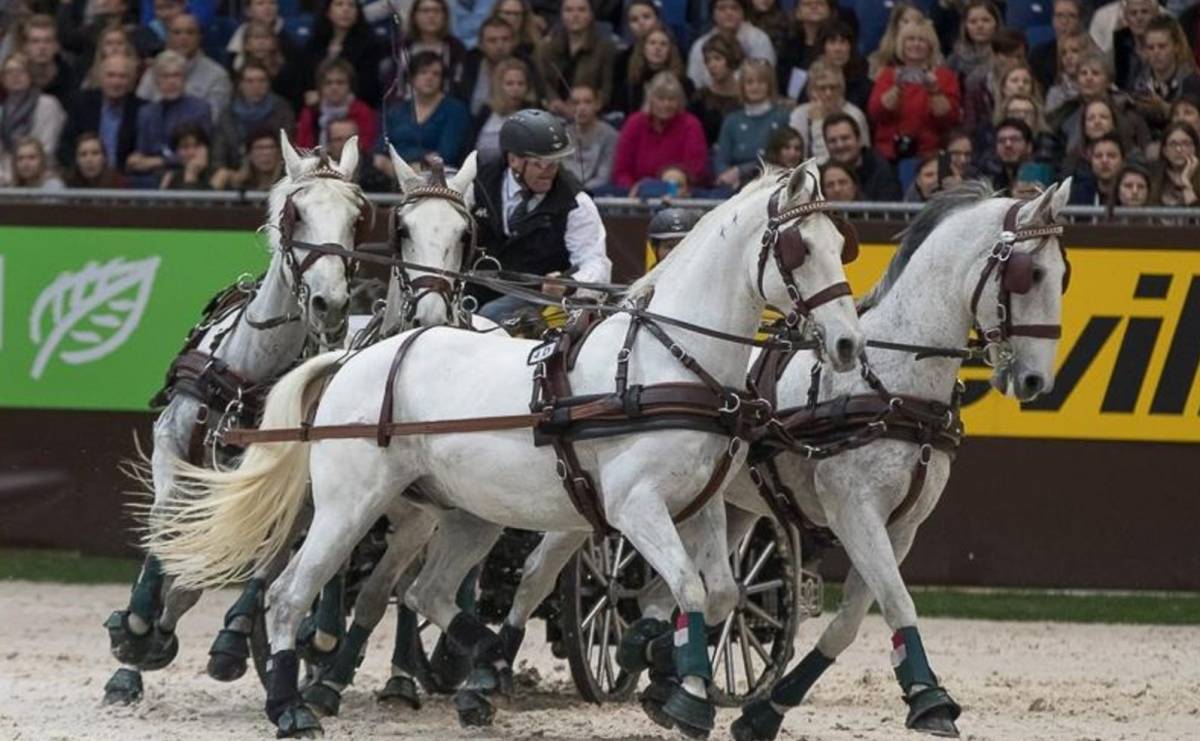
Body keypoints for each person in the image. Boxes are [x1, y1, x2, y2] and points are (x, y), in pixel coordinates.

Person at [468, 109, 612, 322]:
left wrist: (569, 284)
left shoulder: (576, 202)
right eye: (539, 163)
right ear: (514, 160)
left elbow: (596, 263)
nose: (549, 171)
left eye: (554, 162)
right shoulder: (477, 181)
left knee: (491, 315)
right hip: (475, 285)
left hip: (535, 297)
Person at [867, 20, 961, 163]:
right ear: (902, 45)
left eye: (922, 40)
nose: (916, 44)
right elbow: (876, 113)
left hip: (931, 154)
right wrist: (896, 88)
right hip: (890, 154)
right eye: (910, 40)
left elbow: (949, 118)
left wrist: (934, 91)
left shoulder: (945, 77)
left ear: (930, 46)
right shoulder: (887, 75)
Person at [612, 71, 708, 193]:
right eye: (661, 99)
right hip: (636, 195)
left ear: (679, 101)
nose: (666, 104)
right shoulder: (635, 123)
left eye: (671, 99)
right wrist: (633, 188)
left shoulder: (691, 125)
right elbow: (621, 170)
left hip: (678, 195)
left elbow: (695, 169)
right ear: (650, 100)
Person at [126, 50, 212, 178]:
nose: (171, 81)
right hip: (151, 178)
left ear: (185, 79)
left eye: (176, 76)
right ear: (156, 81)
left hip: (186, 176)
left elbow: (198, 156)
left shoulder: (200, 109)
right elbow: (141, 153)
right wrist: (136, 160)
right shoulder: (146, 113)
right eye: (165, 76)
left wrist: (158, 161)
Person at [377, 51, 471, 169]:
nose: (429, 78)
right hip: (393, 170)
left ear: (442, 79)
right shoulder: (395, 110)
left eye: (436, 74)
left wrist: (406, 158)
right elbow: (380, 148)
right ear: (411, 78)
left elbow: (446, 154)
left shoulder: (455, 110)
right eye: (423, 72)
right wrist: (421, 155)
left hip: (436, 173)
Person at [135, 14, 230, 123]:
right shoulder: (153, 71)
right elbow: (141, 111)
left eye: (190, 33)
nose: (183, 38)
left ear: (199, 37)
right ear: (168, 37)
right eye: (177, 33)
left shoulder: (217, 76)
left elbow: (211, 118)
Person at [58, 54, 143, 172]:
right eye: (111, 75)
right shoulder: (81, 104)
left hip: (125, 180)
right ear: (100, 77)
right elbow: (65, 148)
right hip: (84, 177)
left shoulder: (142, 110)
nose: (116, 82)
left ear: (131, 81)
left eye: (122, 76)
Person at [714, 59, 790, 190]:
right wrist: (728, 176)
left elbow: (784, 159)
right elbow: (721, 161)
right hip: (736, 187)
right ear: (742, 86)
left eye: (761, 82)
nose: (755, 87)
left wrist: (741, 170)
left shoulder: (782, 118)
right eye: (749, 82)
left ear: (769, 85)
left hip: (772, 184)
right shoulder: (732, 121)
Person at [211, 60, 295, 174]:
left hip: (275, 173)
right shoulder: (228, 114)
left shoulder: (282, 110)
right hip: (235, 174)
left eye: (261, 81)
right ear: (240, 84)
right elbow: (219, 155)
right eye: (249, 81)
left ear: (268, 83)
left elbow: (287, 148)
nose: (256, 86)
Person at [535, 0, 616, 115]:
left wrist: (585, 106)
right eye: (569, 10)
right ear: (561, 14)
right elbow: (543, 81)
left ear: (591, 14)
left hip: (593, 115)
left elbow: (607, 88)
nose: (575, 15)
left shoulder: (606, 49)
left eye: (581, 10)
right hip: (553, 114)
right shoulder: (547, 48)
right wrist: (554, 101)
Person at [301, 0, 384, 109]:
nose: (346, 10)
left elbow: (368, 86)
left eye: (351, 5)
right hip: (316, 109)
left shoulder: (370, 46)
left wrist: (325, 97)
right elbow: (304, 80)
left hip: (355, 109)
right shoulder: (314, 45)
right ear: (328, 12)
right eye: (339, 4)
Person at [1130, 15, 1200, 135]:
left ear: (1176, 47)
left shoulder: (1192, 81)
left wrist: (1167, 110)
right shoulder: (1138, 80)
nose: (1156, 53)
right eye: (1151, 48)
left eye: (1162, 46)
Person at [0, 51, 67, 176]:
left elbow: (48, 149)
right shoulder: (1, 110)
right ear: (3, 79)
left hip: (42, 175)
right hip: (7, 177)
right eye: (9, 72)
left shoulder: (48, 105)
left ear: (31, 75)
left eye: (21, 71)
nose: (15, 76)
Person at [789, 59, 868, 163]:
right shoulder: (799, 114)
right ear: (811, 91)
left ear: (841, 89)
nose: (828, 94)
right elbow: (796, 158)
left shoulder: (854, 114)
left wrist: (817, 124)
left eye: (833, 87)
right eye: (822, 88)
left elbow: (829, 163)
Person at [687, 0, 776, 90]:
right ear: (713, 14)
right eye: (722, 9)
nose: (729, 13)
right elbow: (695, 82)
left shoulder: (759, 39)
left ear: (743, 12)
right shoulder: (700, 44)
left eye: (734, 8)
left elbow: (765, 79)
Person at [295, 57, 378, 153]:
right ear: (320, 87)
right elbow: (303, 148)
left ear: (350, 86)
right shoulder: (310, 112)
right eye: (328, 83)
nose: (334, 87)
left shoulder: (362, 112)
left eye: (340, 82)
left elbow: (367, 146)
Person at [454, 17, 528, 117]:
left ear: (513, 42)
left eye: (505, 39)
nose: (499, 45)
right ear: (481, 45)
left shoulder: (526, 66)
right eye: (492, 40)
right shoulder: (469, 65)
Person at [611, 22, 690, 114]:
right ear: (643, 48)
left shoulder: (683, 83)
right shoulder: (631, 84)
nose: (657, 48)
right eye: (652, 43)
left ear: (670, 50)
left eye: (663, 44)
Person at [823, 112, 900, 201]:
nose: (840, 145)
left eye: (845, 138)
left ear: (859, 139)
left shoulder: (882, 172)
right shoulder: (821, 174)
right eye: (832, 141)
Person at [473, 57, 537, 164]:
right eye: (509, 84)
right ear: (499, 86)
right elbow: (470, 147)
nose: (515, 89)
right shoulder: (486, 111)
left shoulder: (533, 114)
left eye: (520, 84)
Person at [688, 33, 743, 144]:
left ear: (731, 59)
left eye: (717, 59)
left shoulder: (747, 96)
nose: (711, 65)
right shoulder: (699, 99)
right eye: (708, 60)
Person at [563, 82, 618, 191]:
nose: (581, 108)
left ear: (597, 104)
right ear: (568, 106)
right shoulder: (562, 135)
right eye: (576, 103)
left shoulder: (610, 135)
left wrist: (581, 191)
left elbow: (604, 176)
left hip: (597, 194)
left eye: (587, 102)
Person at [404, 0, 468, 90]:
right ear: (414, 16)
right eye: (425, 11)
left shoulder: (456, 48)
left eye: (437, 11)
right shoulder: (402, 46)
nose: (431, 16)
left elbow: (459, 83)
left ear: (445, 17)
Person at [775, 0, 836, 94]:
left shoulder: (837, 44)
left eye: (820, 3)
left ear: (829, 11)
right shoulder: (789, 45)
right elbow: (781, 80)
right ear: (797, 12)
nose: (814, 7)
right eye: (807, 4)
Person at [19, 14, 77, 106]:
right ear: (25, 47)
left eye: (48, 41)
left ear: (57, 46)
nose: (42, 47)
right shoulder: (15, 77)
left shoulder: (71, 79)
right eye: (35, 41)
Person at [226, 0, 299, 73]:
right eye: (260, 3)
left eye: (272, 3)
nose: (268, 8)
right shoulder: (239, 36)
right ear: (248, 11)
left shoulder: (288, 41)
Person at [1029, 0, 1087, 91]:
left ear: (1080, 21)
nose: (1064, 21)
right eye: (1059, 15)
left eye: (1071, 16)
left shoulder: (1091, 53)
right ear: (1053, 20)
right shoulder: (1039, 55)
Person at [325, 117, 393, 192]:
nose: (345, 144)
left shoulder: (377, 168)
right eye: (338, 139)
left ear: (359, 142)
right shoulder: (321, 173)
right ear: (329, 145)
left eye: (350, 139)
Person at [867, 1, 927, 80]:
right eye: (906, 21)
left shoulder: (935, 59)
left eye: (916, 22)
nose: (910, 27)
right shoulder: (877, 60)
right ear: (895, 24)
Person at [212, 127, 283, 191]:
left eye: (271, 147)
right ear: (249, 154)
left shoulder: (289, 184)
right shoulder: (239, 186)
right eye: (259, 148)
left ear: (279, 153)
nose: (266, 153)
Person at [979, 117, 1035, 195]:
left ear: (1029, 146)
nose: (1008, 145)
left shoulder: (1043, 179)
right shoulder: (990, 185)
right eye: (1001, 140)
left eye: (1015, 139)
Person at [947, 0, 1000, 81]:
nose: (979, 26)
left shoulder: (1006, 55)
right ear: (965, 27)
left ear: (996, 24)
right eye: (973, 22)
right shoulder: (955, 59)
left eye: (986, 20)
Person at [1152, 121, 1200, 206]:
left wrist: (1185, 182)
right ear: (1164, 151)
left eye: (1185, 143)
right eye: (1173, 144)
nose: (1179, 149)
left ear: (1194, 148)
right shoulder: (1153, 176)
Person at [1069, 131, 1124, 205]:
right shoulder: (1076, 196)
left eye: (1111, 156)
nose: (1104, 161)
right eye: (1098, 156)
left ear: (1123, 160)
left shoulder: (1132, 192)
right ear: (1091, 161)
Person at [160, 122, 216, 189]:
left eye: (197, 145)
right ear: (177, 152)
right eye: (185, 147)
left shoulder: (219, 175)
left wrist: (191, 176)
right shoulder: (171, 178)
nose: (192, 152)